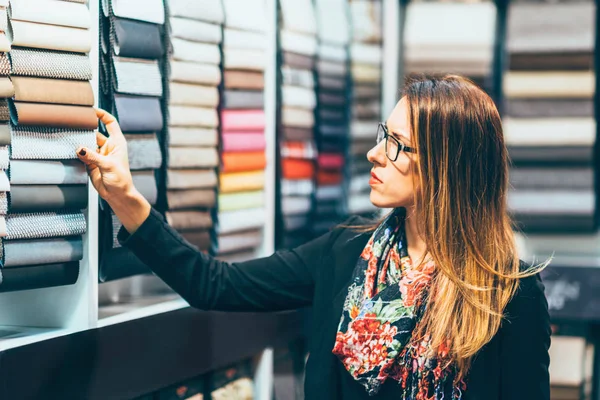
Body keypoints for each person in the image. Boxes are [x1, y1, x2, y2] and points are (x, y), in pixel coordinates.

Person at [77, 75, 550, 400]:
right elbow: (215, 284)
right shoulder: (347, 254)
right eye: (382, 134)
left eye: (397, 146)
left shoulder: (507, 293)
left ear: (449, 166)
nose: (373, 154)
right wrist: (125, 196)